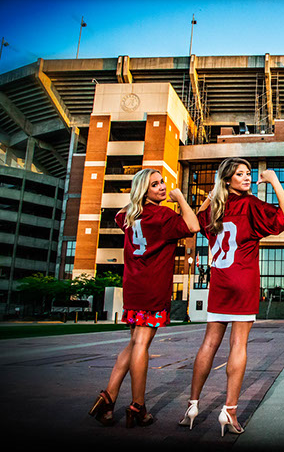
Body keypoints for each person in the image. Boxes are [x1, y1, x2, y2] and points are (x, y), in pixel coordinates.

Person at [179, 158, 284, 436]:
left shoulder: (215, 209)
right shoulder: (251, 204)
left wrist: (209, 197)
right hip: (242, 279)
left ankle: (192, 406)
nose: (246, 177)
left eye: (248, 173)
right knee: (238, 344)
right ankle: (229, 411)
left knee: (209, 343)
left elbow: (194, 221)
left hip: (219, 281)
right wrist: (275, 181)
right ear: (228, 179)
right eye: (239, 174)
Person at [88, 168, 199, 428]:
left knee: (133, 343)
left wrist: (139, 200)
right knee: (142, 345)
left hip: (133, 287)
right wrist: (180, 198)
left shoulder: (127, 215)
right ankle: (138, 405)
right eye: (155, 185)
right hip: (153, 287)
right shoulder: (163, 215)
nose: (162, 187)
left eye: (162, 183)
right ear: (144, 191)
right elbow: (193, 226)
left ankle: (108, 398)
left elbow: (119, 214)